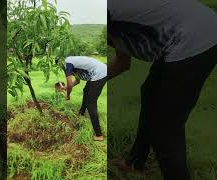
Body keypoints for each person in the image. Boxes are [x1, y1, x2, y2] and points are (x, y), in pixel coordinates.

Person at [108, 0, 217, 179]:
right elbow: (123, 62)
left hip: (193, 37)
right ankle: (135, 164)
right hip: (193, 28)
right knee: (150, 94)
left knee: (165, 128)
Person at [57, 56, 107, 141]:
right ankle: (81, 113)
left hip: (99, 73)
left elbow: (69, 84)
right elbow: (77, 81)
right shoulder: (71, 62)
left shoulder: (67, 64)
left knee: (91, 103)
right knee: (86, 90)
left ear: (60, 64)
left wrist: (68, 95)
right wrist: (65, 88)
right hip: (98, 72)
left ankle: (99, 135)